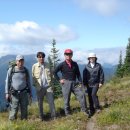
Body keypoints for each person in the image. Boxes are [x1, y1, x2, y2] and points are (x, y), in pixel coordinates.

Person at [54, 49, 90, 117]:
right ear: (64, 55)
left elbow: (78, 74)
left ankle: (84, 110)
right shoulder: (62, 64)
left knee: (82, 95)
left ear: (72, 55)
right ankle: (68, 113)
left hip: (75, 82)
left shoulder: (75, 64)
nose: (68, 55)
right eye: (67, 54)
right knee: (66, 99)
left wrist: (80, 82)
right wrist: (59, 80)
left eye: (70, 54)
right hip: (66, 83)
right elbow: (54, 72)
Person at [5, 55, 32, 120]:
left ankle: (24, 123)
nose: (20, 62)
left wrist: (30, 93)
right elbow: (7, 81)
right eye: (19, 61)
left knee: (24, 109)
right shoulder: (11, 70)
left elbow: (28, 82)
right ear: (16, 61)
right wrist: (6, 93)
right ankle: (12, 125)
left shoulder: (25, 70)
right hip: (14, 93)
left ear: (23, 61)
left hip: (24, 93)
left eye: (22, 61)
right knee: (13, 109)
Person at [32, 52, 56, 121]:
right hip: (39, 88)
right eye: (39, 57)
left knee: (51, 101)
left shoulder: (48, 65)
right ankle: (41, 117)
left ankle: (54, 116)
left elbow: (52, 75)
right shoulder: (34, 66)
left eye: (42, 57)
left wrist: (52, 85)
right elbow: (33, 77)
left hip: (48, 86)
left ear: (44, 58)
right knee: (40, 103)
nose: (41, 58)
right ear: (37, 58)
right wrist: (36, 86)